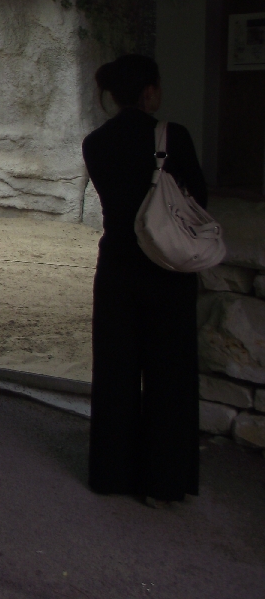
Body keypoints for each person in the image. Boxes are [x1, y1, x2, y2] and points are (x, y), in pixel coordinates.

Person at [81, 54, 205, 504]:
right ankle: (163, 482)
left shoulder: (95, 143)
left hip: (116, 265)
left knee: (115, 371)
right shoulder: (173, 137)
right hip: (166, 268)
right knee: (168, 374)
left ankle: (111, 474)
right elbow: (198, 198)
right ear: (149, 91)